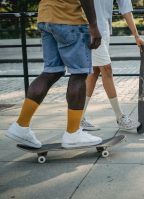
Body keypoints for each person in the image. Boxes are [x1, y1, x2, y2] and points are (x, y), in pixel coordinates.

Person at [6, 0, 102, 148]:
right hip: (69, 19)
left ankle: (21, 125)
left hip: (46, 17)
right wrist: (94, 26)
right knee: (79, 74)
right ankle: (73, 133)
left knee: (51, 71)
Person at [80, 0, 144, 131]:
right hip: (90, 30)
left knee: (94, 73)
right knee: (106, 70)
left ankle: (79, 118)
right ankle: (120, 117)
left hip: (103, 31)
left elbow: (126, 9)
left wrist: (136, 36)